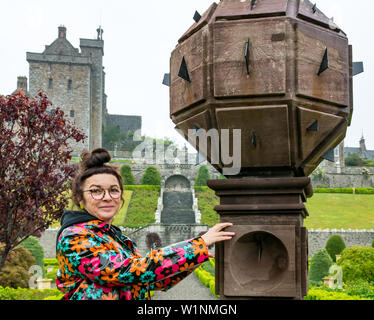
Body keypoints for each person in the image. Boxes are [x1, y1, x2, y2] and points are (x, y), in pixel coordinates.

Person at [56, 148, 235, 300]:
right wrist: (197, 246)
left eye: (113, 190)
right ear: (80, 198)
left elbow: (151, 280)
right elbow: (128, 271)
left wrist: (194, 259)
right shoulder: (74, 237)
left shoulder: (117, 238)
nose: (107, 197)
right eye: (96, 191)